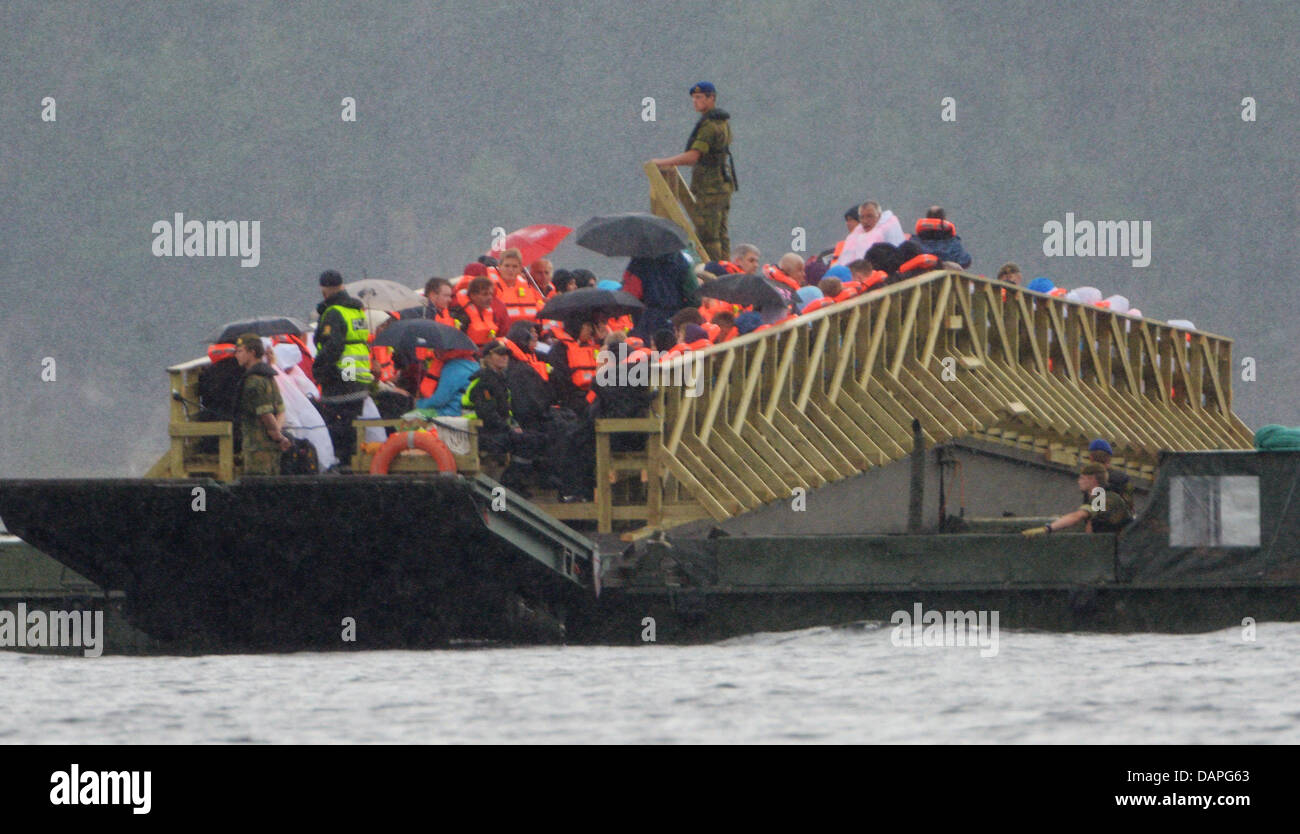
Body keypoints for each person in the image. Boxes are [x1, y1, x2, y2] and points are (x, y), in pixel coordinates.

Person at [650, 81, 736, 261]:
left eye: (699, 97)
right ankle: (726, 268)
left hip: (710, 187)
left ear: (711, 98)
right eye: (694, 98)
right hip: (721, 185)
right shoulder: (722, 121)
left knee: (708, 236)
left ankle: (715, 272)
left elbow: (692, 157)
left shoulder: (709, 125)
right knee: (721, 232)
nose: (695, 102)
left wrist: (663, 162)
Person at [462, 340, 546, 496]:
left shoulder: (500, 379)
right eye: (499, 354)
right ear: (487, 358)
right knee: (527, 441)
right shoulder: (483, 381)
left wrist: (513, 424)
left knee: (537, 438)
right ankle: (509, 484)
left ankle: (515, 482)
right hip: (480, 433)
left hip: (496, 429)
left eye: (506, 354)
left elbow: (506, 412)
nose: (504, 357)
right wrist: (510, 429)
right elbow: (487, 413)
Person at [312, 269, 373, 467]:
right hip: (358, 370)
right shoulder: (355, 309)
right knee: (352, 418)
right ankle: (352, 460)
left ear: (324, 290)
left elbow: (333, 346)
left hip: (343, 371)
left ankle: (342, 461)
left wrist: (319, 369)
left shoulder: (334, 312)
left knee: (337, 417)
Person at [232, 333, 291, 475]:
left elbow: (265, 413)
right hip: (273, 449)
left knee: (257, 490)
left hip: (257, 449)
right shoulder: (269, 376)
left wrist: (276, 434)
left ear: (251, 353)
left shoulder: (253, 381)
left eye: (240, 351)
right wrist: (279, 433)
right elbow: (281, 410)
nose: (236, 355)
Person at [1021, 463, 1133, 536]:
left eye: (1082, 478)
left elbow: (1078, 516)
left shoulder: (1103, 497)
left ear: (1092, 479)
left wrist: (1047, 529)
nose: (1079, 481)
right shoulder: (1101, 496)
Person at [836, 200, 906, 265]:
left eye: (870, 216)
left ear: (879, 216)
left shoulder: (886, 230)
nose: (865, 221)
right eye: (862, 217)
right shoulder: (854, 236)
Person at [493, 248, 546, 326]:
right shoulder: (492, 289)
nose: (510, 270)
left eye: (514, 267)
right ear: (499, 267)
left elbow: (540, 308)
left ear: (520, 269)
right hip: (504, 332)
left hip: (529, 331)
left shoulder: (528, 288)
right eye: (507, 266)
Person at [456, 276, 508, 347]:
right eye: (485, 294)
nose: (490, 298)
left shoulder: (491, 314)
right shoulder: (461, 315)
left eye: (491, 294)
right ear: (473, 295)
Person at [1087, 438, 1136, 513]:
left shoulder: (1090, 478)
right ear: (1109, 459)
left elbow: (1091, 510)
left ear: (1091, 458)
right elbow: (1130, 506)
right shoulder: (1123, 478)